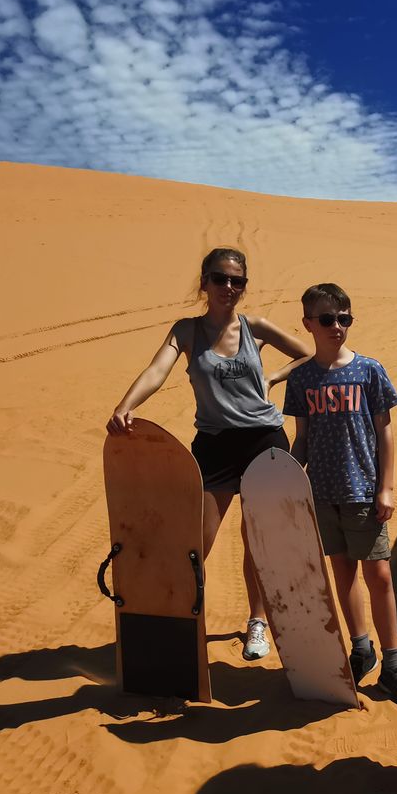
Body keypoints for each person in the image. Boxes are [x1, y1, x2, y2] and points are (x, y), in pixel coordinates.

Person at [106, 246, 309, 660]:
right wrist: (126, 406)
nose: (229, 287)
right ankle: (181, 622)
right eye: (220, 278)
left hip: (263, 441)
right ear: (205, 282)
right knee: (196, 543)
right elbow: (156, 370)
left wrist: (273, 376)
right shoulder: (187, 330)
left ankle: (257, 623)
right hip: (214, 447)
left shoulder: (256, 327)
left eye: (238, 281)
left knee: (257, 540)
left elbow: (308, 354)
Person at [285, 284, 397, 718]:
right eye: (327, 319)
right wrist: (285, 477)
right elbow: (303, 438)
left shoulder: (369, 370)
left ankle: (394, 665)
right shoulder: (303, 377)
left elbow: (384, 431)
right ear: (308, 323)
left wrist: (386, 486)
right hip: (321, 493)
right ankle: (360, 648)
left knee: (379, 575)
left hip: (363, 488)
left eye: (344, 318)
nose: (337, 327)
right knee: (342, 572)